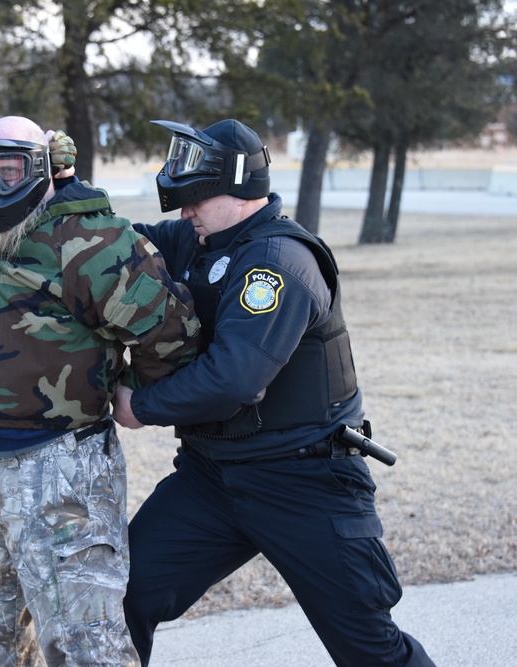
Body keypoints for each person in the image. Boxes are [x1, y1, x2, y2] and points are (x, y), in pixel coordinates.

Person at [112, 118, 435, 667]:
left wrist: (138, 407)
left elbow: (233, 379)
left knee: (369, 649)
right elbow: (120, 243)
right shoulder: (199, 238)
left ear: (240, 195)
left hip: (303, 481)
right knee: (120, 599)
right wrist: (57, 213)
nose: (183, 212)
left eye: (196, 200)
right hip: (213, 478)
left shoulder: (276, 262)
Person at [0, 115, 199, 667]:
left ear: (46, 168)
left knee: (84, 648)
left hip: (61, 469)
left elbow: (172, 334)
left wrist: (132, 395)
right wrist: (15, 133)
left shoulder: (90, 242)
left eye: (12, 168)